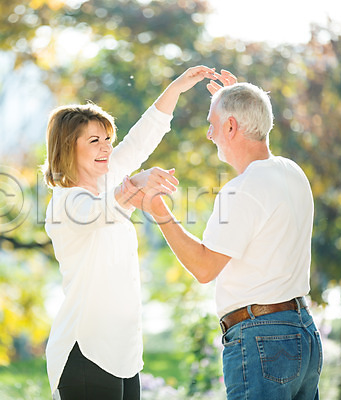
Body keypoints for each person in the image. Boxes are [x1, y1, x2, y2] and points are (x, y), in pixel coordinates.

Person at [124, 75, 323, 399]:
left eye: (212, 124)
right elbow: (254, 139)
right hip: (303, 334)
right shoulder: (292, 172)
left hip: (261, 339)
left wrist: (158, 210)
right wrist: (239, 103)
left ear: (231, 126)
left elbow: (204, 268)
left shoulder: (241, 190)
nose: (209, 134)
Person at [42, 66, 218, 400]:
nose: (106, 148)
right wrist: (135, 183)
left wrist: (176, 88)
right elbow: (98, 212)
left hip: (123, 356)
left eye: (108, 139)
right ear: (68, 147)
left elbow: (140, 141)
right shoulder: (66, 202)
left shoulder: (107, 183)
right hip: (85, 352)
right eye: (94, 141)